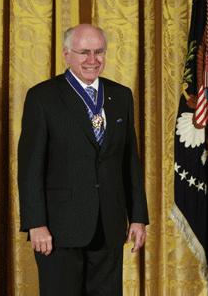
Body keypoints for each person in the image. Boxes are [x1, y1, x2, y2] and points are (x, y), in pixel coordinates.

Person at [18, 24, 149, 296]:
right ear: (66, 54)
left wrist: (138, 217)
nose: (93, 60)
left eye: (99, 52)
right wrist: (36, 223)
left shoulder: (121, 95)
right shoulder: (42, 97)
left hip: (109, 225)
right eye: (84, 52)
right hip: (58, 229)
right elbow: (30, 168)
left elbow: (130, 162)